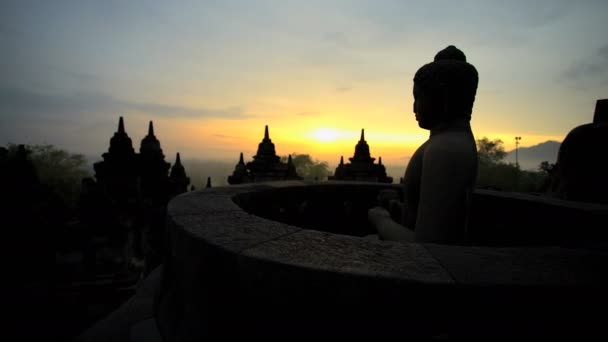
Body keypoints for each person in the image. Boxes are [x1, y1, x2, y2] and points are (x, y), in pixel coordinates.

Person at [368, 45, 479, 244]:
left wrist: (381, 221)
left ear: (443, 97)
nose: (413, 107)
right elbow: (428, 218)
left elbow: (431, 247)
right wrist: (397, 207)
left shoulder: (446, 150)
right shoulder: (445, 142)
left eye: (418, 98)